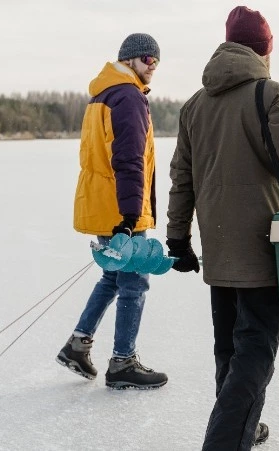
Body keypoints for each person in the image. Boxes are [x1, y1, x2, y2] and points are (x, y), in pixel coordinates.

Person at [166, 6, 279, 449]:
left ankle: (240, 426)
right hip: (263, 246)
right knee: (255, 351)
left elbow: (182, 178)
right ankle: (227, 440)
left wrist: (178, 238)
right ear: (264, 49)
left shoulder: (195, 104)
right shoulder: (272, 93)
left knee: (229, 346)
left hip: (218, 245)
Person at [56, 33, 168, 390]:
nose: (153, 66)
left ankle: (78, 345)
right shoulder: (128, 97)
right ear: (131, 59)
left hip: (106, 203)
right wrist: (132, 215)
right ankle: (123, 362)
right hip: (121, 208)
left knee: (114, 276)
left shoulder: (102, 94)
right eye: (148, 59)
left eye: (157, 61)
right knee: (134, 281)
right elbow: (129, 160)